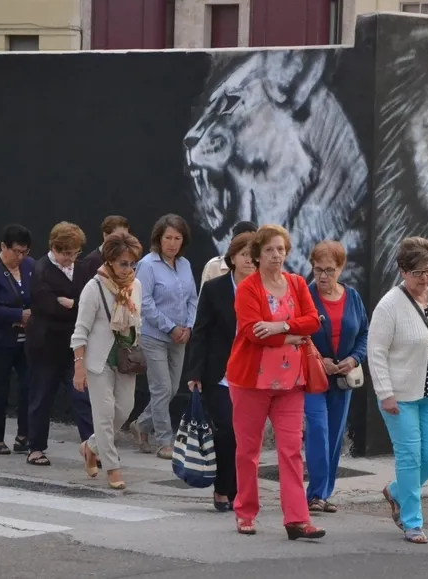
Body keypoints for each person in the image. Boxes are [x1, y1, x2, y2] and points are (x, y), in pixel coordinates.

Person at [225, 224, 325, 540]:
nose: (276, 255)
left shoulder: (296, 284)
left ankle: (297, 519)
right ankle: (245, 512)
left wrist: (281, 325)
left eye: (281, 249)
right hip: (251, 383)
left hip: (291, 384)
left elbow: (313, 322)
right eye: (269, 250)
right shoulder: (248, 288)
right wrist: (292, 336)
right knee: (248, 451)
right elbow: (254, 332)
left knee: (292, 451)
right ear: (257, 254)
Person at [367, 236, 428, 544]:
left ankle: (396, 491)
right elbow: (376, 352)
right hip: (401, 395)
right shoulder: (389, 306)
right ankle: (412, 522)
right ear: (402, 271)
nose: (425, 278)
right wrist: (385, 393)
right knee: (409, 457)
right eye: (418, 272)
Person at [186, 232, 256, 511]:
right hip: (220, 372)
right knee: (227, 429)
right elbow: (201, 331)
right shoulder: (215, 288)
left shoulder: (265, 288)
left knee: (246, 434)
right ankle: (223, 488)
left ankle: (237, 490)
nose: (249, 261)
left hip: (253, 372)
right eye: (244, 255)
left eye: (254, 256)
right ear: (232, 258)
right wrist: (195, 372)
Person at [72, 232, 144, 490]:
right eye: (123, 263)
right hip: (98, 360)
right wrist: (78, 366)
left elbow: (138, 320)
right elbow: (80, 330)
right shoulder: (94, 287)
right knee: (103, 415)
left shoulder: (136, 285)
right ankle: (112, 467)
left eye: (132, 263)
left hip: (125, 358)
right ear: (110, 261)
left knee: (123, 410)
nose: (128, 269)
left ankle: (90, 447)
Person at [304, 240, 369, 514]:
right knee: (318, 431)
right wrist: (321, 359)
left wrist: (354, 359)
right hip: (313, 377)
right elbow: (299, 334)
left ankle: (323, 493)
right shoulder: (305, 295)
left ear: (341, 268)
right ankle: (314, 493)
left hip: (342, 381)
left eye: (329, 270)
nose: (323, 276)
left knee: (334, 435)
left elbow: (364, 334)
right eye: (318, 269)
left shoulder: (352, 297)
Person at [26, 222, 94, 467]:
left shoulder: (83, 268)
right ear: (54, 248)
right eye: (66, 253)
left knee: (83, 397)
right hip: (45, 345)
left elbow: (88, 302)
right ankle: (35, 448)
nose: (71, 258)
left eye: (75, 253)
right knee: (41, 396)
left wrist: (70, 303)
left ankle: (92, 446)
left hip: (74, 345)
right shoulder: (40, 269)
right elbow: (48, 306)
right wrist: (72, 305)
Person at [131, 214, 198, 459]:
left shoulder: (185, 265)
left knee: (171, 389)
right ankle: (164, 441)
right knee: (161, 389)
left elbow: (192, 298)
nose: (172, 243)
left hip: (180, 336)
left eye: (177, 238)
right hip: (154, 335)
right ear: (158, 238)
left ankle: (141, 425)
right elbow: (144, 302)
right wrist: (170, 327)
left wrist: (188, 326)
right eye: (167, 237)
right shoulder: (147, 264)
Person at [0, 224, 35, 455]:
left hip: (26, 339)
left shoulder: (30, 266)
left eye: (24, 252)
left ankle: (24, 435)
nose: (20, 257)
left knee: (29, 385)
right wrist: (18, 315)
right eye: (16, 251)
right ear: (4, 247)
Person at [199, 221, 258, 288]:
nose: (249, 260)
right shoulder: (214, 266)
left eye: (253, 254)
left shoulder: (265, 274)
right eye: (244, 254)